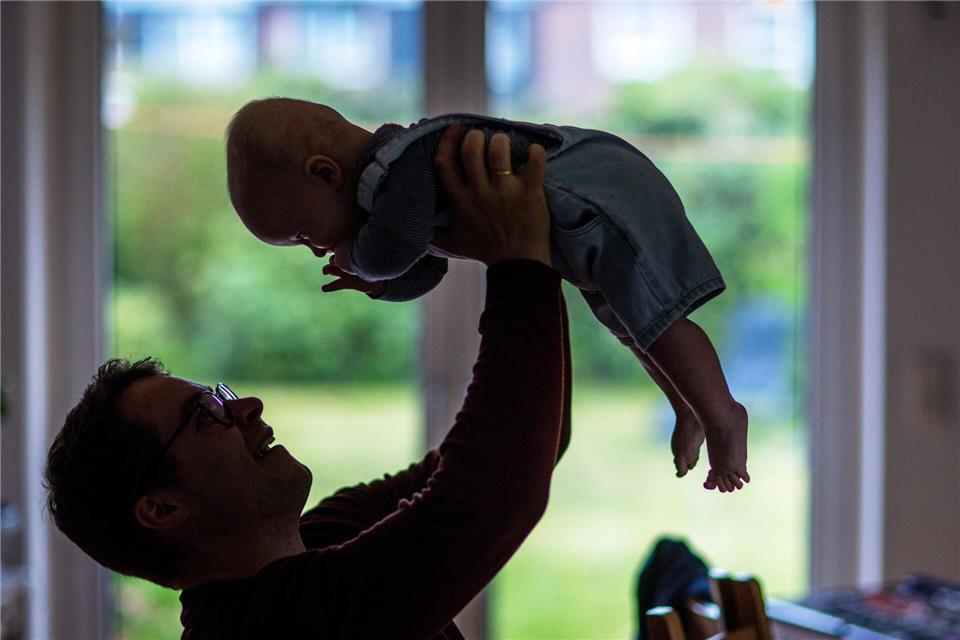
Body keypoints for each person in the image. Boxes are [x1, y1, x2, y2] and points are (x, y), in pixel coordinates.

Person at [44, 129, 572, 639]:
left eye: (221, 394)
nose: (247, 406)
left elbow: (528, 449)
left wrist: (532, 253)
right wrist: (518, 263)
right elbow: (488, 495)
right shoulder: (264, 626)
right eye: (208, 412)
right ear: (162, 509)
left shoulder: (325, 536)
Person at [225, 98, 749, 493]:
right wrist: (384, 284)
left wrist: (360, 260)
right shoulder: (399, 195)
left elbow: (398, 245)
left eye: (300, 234)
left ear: (325, 173)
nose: (314, 247)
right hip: (579, 221)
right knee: (635, 323)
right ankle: (688, 406)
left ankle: (723, 416)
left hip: (598, 193)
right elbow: (426, 265)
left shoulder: (402, 164)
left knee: (658, 317)